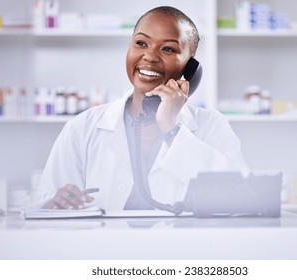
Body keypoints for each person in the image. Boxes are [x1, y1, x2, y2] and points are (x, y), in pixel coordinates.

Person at [36, 6, 250, 211]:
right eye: (141, 43)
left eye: (168, 49)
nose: (149, 56)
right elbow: (44, 207)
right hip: (102, 248)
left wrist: (170, 127)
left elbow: (242, 198)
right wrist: (55, 204)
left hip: (183, 248)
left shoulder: (210, 126)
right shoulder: (83, 128)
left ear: (190, 69)